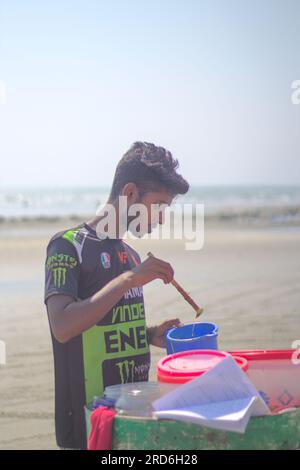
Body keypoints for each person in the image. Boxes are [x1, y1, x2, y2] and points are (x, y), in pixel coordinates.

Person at [44, 141, 190, 449]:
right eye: (159, 206)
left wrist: (149, 334)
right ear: (129, 194)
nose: (161, 219)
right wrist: (129, 279)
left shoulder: (132, 256)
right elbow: (63, 326)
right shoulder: (67, 247)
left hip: (129, 421)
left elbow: (105, 322)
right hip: (87, 426)